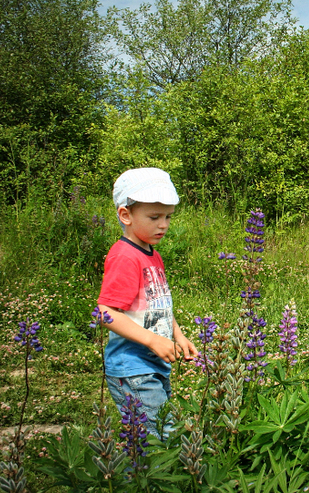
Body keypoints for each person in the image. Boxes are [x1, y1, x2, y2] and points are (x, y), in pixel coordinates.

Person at [97, 167, 198, 437]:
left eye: (167, 216)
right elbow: (105, 311)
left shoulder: (151, 254)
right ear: (125, 215)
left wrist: (178, 335)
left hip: (153, 364)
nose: (163, 224)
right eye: (154, 217)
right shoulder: (124, 256)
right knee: (159, 436)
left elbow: (159, 304)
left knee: (158, 431)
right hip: (131, 367)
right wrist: (153, 340)